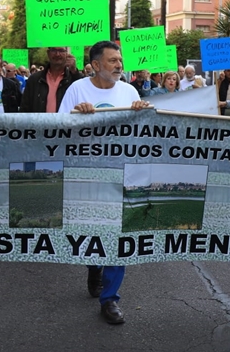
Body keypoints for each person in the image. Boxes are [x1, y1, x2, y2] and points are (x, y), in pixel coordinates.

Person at [58, 40, 151, 324]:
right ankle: (94, 264)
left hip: (121, 176)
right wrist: (77, 116)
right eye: (112, 61)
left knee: (117, 237)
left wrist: (142, 113)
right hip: (86, 176)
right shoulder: (77, 90)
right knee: (91, 233)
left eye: (119, 60)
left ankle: (109, 298)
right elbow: (58, 129)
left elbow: (144, 135)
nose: (119, 65)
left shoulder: (130, 91)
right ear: (95, 65)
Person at [20, 46, 83, 113]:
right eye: (53, 50)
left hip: (66, 122)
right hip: (39, 122)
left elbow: (83, 96)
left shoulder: (73, 78)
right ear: (48, 53)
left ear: (67, 54)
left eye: (61, 50)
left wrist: (74, 72)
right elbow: (24, 108)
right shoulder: (34, 79)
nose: (57, 54)